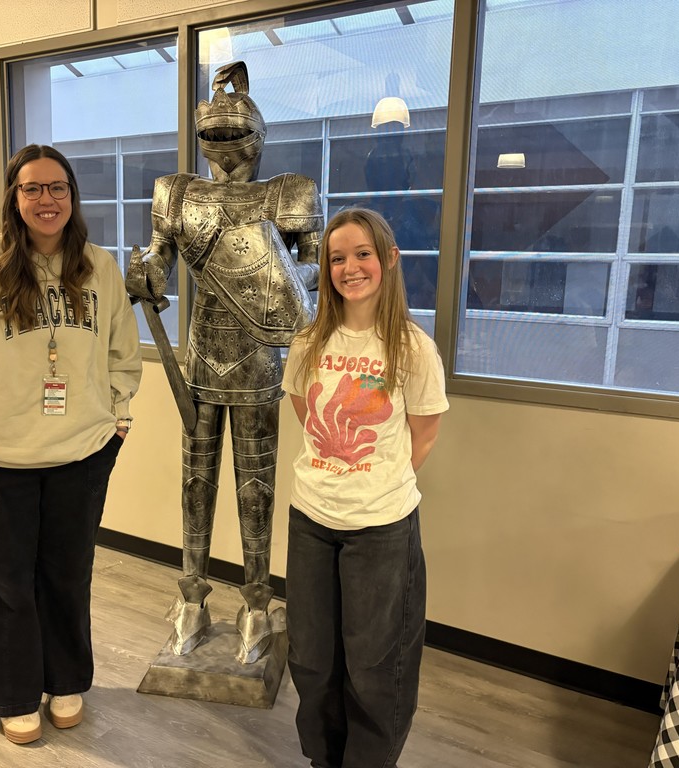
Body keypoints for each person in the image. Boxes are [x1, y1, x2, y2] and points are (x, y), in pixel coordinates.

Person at [0, 144, 142, 745]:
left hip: (83, 453)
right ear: (14, 199)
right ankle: (15, 695)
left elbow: (124, 351)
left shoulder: (100, 267)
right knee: (4, 583)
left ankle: (65, 680)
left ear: (73, 197)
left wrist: (116, 420)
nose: (47, 200)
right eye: (32, 189)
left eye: (58, 188)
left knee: (68, 574)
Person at [126, 60, 321, 663]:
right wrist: (148, 273)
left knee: (255, 484)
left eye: (234, 136)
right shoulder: (177, 193)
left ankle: (257, 601)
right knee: (196, 481)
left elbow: (309, 278)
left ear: (257, 136)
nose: (225, 149)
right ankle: (192, 596)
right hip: (202, 358)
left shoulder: (289, 192)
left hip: (261, 358)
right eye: (214, 137)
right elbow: (161, 259)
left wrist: (275, 274)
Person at [281, 207, 449, 768]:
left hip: (381, 528)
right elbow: (307, 414)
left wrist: (373, 483)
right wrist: (338, 469)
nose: (349, 267)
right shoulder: (310, 341)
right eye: (337, 258)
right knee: (312, 659)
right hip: (311, 520)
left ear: (389, 259)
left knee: (376, 668)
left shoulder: (411, 347)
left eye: (362, 255)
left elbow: (421, 435)